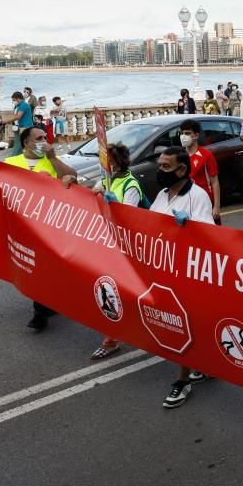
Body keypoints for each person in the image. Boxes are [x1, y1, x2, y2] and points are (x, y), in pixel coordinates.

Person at [0, 126, 79, 331]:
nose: (44, 141)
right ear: (26, 142)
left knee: (47, 267)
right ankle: (43, 309)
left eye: (45, 137)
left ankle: (41, 310)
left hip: (49, 227)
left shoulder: (51, 161)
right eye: (39, 138)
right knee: (34, 267)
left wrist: (53, 158)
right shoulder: (11, 163)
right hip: (22, 228)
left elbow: (73, 176)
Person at [151, 146, 215, 409]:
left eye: (166, 167)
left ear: (182, 169)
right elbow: (145, 220)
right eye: (160, 165)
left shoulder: (197, 196)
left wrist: (191, 226)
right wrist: (115, 208)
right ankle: (204, 363)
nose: (160, 170)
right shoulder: (162, 193)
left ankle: (182, 381)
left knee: (181, 325)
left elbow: (210, 235)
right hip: (164, 270)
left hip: (189, 273)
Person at [89, 143, 146, 359]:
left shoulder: (131, 184)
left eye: (107, 161)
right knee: (112, 291)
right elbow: (91, 197)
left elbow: (127, 216)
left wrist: (112, 202)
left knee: (120, 292)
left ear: (117, 162)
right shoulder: (105, 180)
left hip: (126, 248)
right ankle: (114, 336)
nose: (104, 165)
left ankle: (114, 338)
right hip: (106, 244)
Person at [180, 120, 222, 224]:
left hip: (206, 202)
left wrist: (216, 206)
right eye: (182, 133)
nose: (183, 136)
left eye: (187, 133)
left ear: (196, 135)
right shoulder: (179, 156)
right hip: (187, 203)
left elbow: (215, 181)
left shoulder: (206, 155)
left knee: (213, 236)